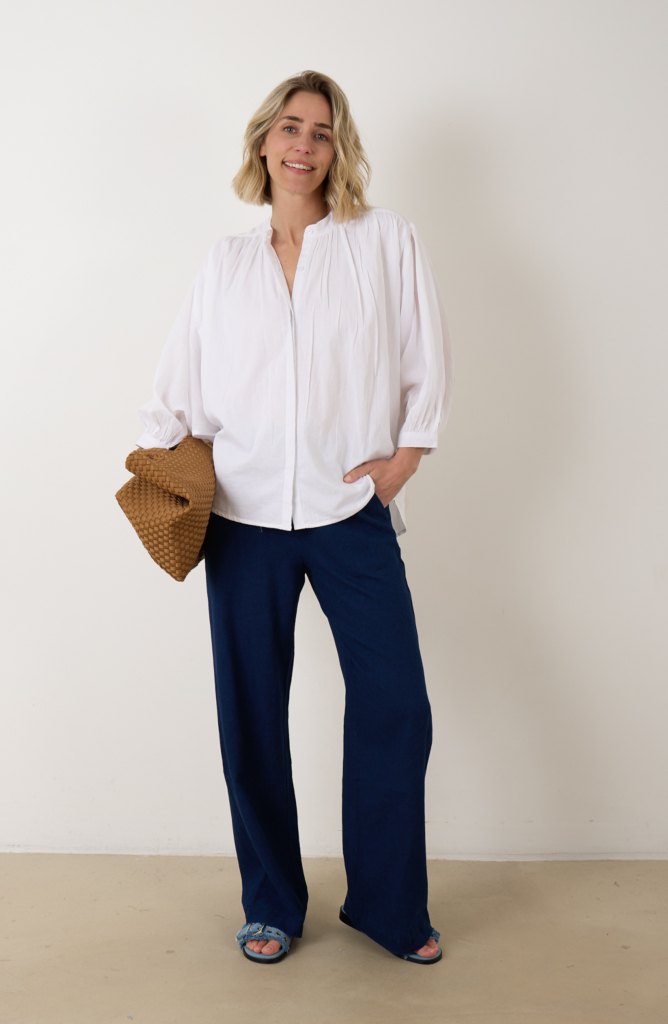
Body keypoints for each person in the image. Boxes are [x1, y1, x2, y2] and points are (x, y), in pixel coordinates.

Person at [135, 71, 454, 964]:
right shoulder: (226, 263)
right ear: (263, 142)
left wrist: (402, 461)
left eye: (320, 131)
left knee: (396, 704)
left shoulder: (383, 240)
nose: (303, 145)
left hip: (350, 510)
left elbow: (425, 357)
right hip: (241, 521)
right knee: (251, 714)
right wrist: (163, 467)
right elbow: (176, 389)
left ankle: (389, 907)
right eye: (289, 127)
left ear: (337, 148)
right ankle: (271, 903)